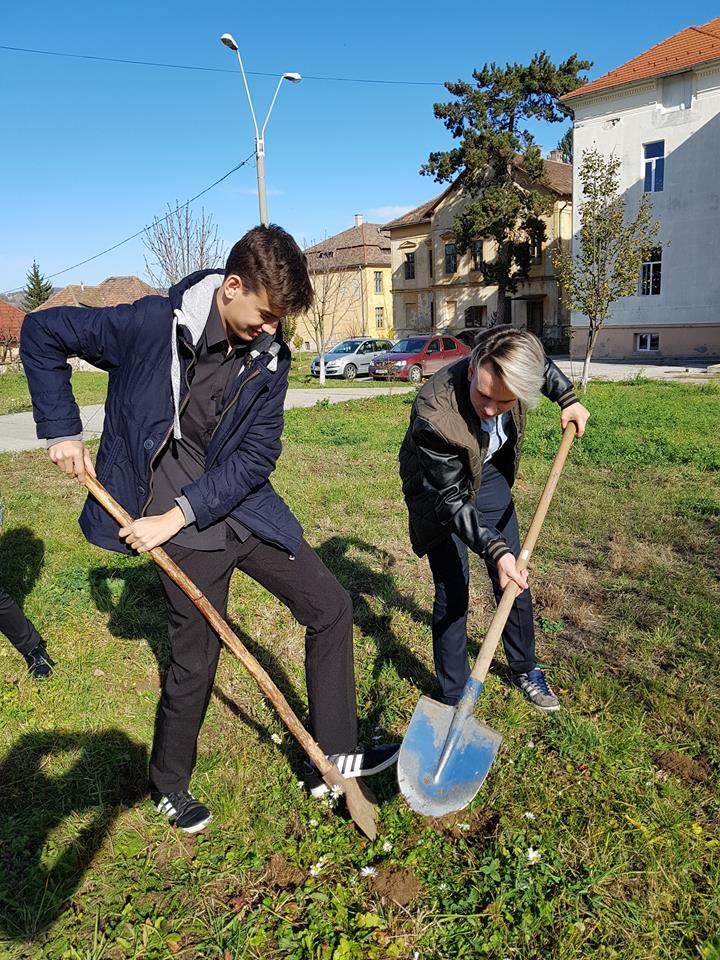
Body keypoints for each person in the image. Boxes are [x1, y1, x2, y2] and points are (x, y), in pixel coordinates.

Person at [20, 225, 398, 834]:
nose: (270, 330)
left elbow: (256, 455)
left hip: (239, 509)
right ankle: (169, 784)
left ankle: (334, 756)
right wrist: (62, 431)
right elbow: (42, 332)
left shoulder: (270, 357)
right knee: (195, 659)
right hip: (174, 529)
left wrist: (185, 510)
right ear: (232, 287)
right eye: (265, 315)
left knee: (330, 606)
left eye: (279, 321)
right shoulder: (150, 325)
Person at [399, 325, 590, 712]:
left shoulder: (515, 368)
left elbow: (542, 367)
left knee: (514, 577)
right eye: (483, 396)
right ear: (472, 368)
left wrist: (567, 398)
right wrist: (495, 549)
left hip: (486, 475)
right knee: (453, 588)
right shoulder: (434, 415)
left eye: (504, 402)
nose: (489, 410)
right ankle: (454, 695)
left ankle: (524, 668)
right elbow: (451, 501)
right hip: (440, 488)